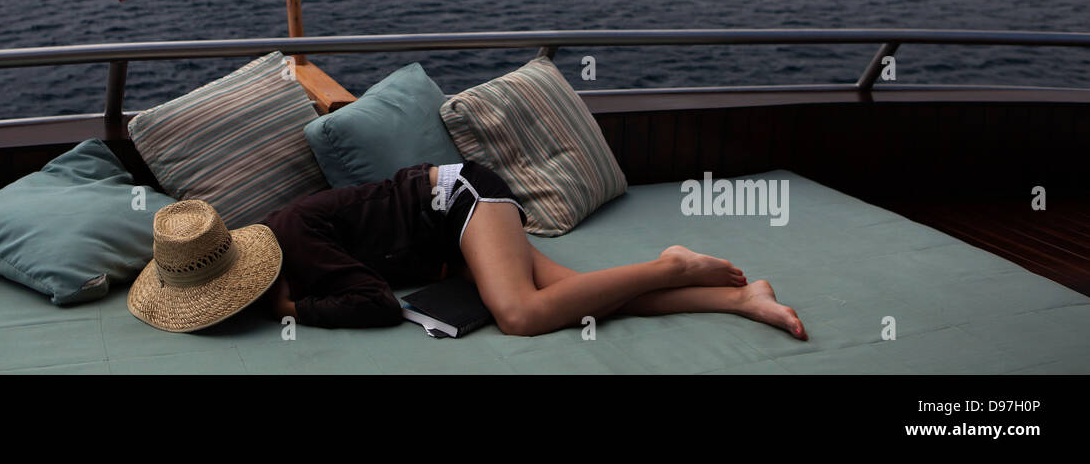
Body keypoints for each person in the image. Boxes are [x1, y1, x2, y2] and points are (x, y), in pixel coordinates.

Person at [261, 160, 806, 339]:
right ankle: (741, 301)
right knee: (574, 296)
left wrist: (291, 310)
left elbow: (375, 301)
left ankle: (673, 265)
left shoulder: (292, 239)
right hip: (451, 243)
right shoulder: (286, 250)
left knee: (520, 315)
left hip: (458, 200)